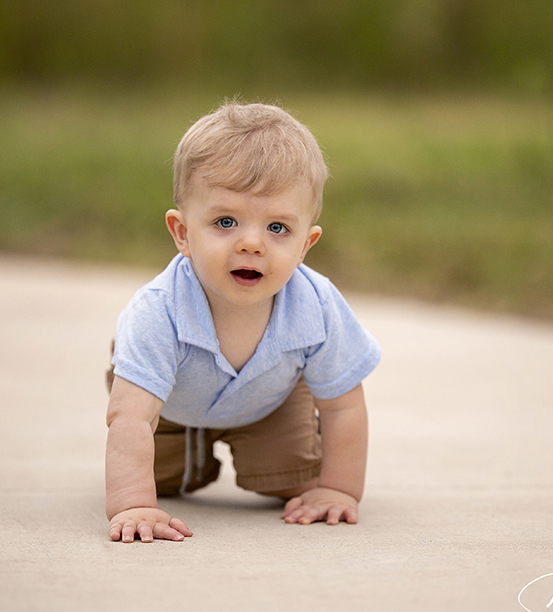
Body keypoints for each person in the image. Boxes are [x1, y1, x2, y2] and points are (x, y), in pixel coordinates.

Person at [105, 102, 381, 543]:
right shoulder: (158, 310)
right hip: (167, 407)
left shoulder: (316, 303)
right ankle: (184, 459)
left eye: (277, 228)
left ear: (306, 243)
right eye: (226, 221)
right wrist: (134, 503)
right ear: (182, 233)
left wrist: (339, 488)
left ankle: (280, 457)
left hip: (269, 401)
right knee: (166, 483)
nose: (252, 243)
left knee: (295, 484)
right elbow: (130, 418)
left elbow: (344, 405)